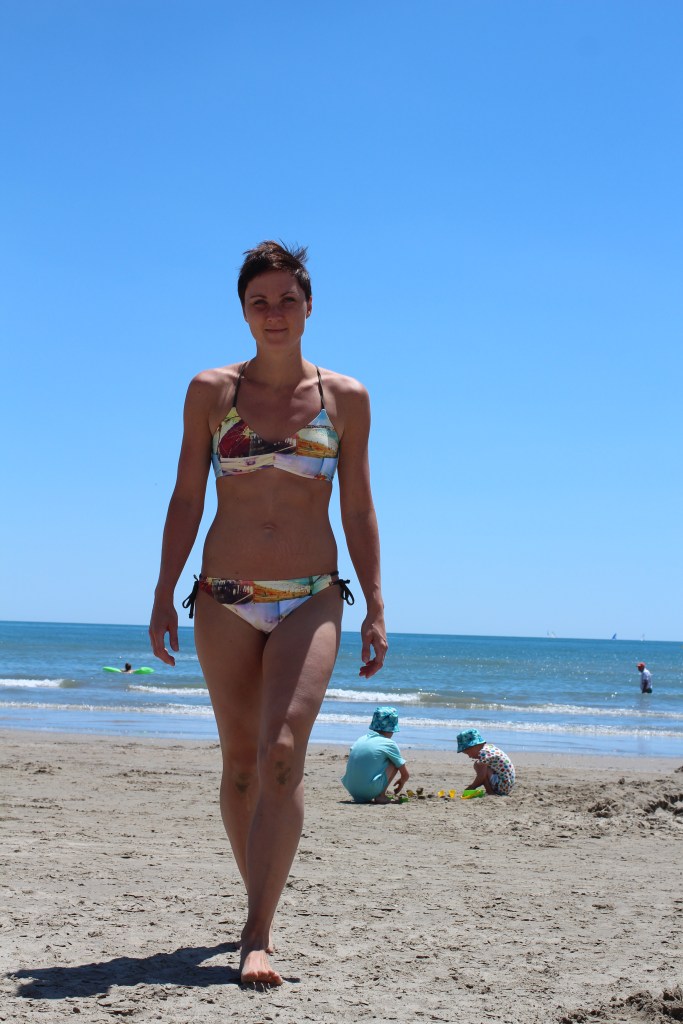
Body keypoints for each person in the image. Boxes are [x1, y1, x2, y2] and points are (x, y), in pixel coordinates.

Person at [148, 241, 387, 986]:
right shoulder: (211, 391)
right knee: (242, 767)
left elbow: (358, 506)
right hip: (223, 595)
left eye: (287, 299)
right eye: (260, 302)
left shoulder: (345, 398)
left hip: (311, 593)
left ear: (309, 307)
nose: (274, 313)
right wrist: (163, 591)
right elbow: (187, 496)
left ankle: (258, 931)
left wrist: (376, 603)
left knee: (282, 750)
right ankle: (257, 897)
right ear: (244, 312)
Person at [341, 706, 409, 804]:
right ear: (392, 728)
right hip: (368, 789)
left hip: (351, 788)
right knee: (394, 762)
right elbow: (405, 774)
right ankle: (381, 795)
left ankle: (366, 791)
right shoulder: (389, 744)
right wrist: (402, 781)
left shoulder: (361, 739)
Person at [456, 728, 516, 796]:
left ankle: (490, 792)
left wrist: (471, 787)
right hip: (507, 785)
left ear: (474, 746)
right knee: (479, 764)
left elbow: (481, 777)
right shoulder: (489, 748)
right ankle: (490, 791)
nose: (469, 756)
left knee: (478, 766)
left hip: (502, 787)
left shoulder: (484, 753)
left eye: (468, 753)